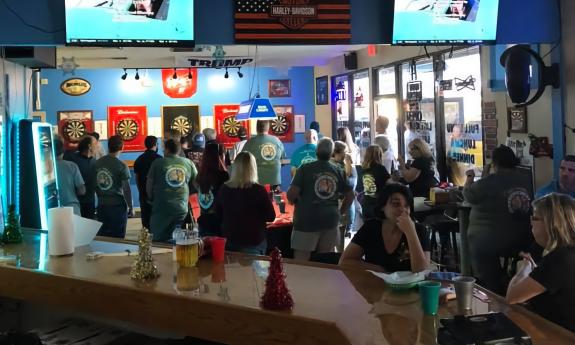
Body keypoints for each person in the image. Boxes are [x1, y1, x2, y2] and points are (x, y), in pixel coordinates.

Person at [464, 145, 533, 294]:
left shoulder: (490, 181)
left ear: (494, 163)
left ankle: (489, 288)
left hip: (489, 241)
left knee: (478, 241)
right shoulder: (526, 179)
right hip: (524, 238)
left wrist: (470, 178)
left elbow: (469, 195)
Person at [505, 193, 575, 332]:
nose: (530, 222)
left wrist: (526, 267)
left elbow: (512, 297)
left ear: (551, 223)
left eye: (535, 218)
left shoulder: (560, 259)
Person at [287, 138, 355, 261]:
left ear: (317, 151)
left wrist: (293, 200)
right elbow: (350, 195)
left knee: (302, 262)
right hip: (330, 221)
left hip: (306, 221)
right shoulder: (338, 170)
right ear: (331, 153)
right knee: (325, 262)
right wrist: (340, 212)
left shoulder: (304, 168)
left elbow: (292, 194)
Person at [339, 183, 430, 272]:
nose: (403, 209)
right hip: (373, 285)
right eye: (396, 204)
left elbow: (422, 271)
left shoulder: (420, 230)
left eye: (407, 205)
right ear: (383, 206)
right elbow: (345, 262)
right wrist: (380, 270)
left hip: (409, 286)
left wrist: (410, 232)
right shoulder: (371, 227)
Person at [215, 152, 275, 255]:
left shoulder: (224, 188)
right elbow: (271, 216)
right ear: (253, 168)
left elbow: (218, 213)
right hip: (253, 240)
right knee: (254, 271)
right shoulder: (259, 190)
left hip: (230, 240)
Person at [147, 138, 197, 242]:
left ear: (167, 149)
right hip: (181, 208)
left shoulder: (157, 163)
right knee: (179, 239)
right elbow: (197, 183)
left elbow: (149, 184)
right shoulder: (188, 163)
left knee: (158, 240)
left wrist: (150, 197)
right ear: (179, 150)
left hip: (161, 207)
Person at [95, 135, 132, 238]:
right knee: (118, 237)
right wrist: (131, 207)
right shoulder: (121, 166)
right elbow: (126, 189)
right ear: (122, 148)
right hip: (117, 206)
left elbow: (95, 184)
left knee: (104, 237)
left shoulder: (98, 163)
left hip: (102, 205)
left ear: (108, 147)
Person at [196, 142, 229, 237]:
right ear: (219, 156)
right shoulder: (223, 176)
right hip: (218, 222)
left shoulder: (200, 176)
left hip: (203, 220)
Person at [242, 120, 285, 190]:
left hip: (256, 182)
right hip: (275, 181)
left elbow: (242, 159)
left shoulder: (250, 142)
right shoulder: (277, 140)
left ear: (256, 128)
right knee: (273, 200)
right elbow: (282, 159)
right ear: (268, 127)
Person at [133, 136, 161, 229]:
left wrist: (141, 191)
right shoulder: (160, 159)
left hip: (143, 194)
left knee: (145, 221)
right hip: (158, 194)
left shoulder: (139, 159)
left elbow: (137, 178)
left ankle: (146, 240)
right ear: (156, 145)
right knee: (158, 220)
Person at [54, 136, 85, 216]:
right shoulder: (72, 166)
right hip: (72, 207)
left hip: (52, 209)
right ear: (63, 151)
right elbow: (82, 191)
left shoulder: (46, 167)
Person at [68, 135, 97, 219]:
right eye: (95, 143)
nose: (97, 146)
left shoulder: (95, 161)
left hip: (90, 201)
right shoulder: (72, 160)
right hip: (76, 201)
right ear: (89, 146)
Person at [332, 141, 358, 236]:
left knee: (348, 204)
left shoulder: (346, 160)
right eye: (345, 151)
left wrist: (347, 161)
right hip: (337, 194)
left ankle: (348, 228)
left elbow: (348, 175)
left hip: (344, 191)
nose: (346, 153)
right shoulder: (333, 162)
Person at [361, 145, 391, 220]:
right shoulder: (381, 168)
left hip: (366, 203)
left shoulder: (363, 169)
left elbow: (367, 189)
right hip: (378, 204)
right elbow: (390, 184)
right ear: (379, 155)